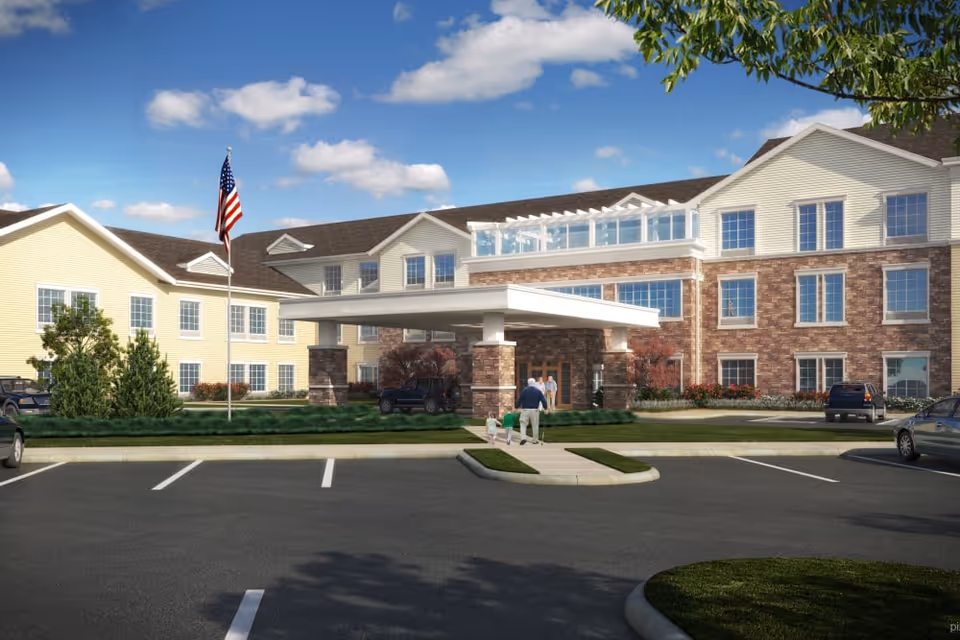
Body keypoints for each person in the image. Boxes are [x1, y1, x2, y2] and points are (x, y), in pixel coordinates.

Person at [516, 378, 548, 445]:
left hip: (525, 410)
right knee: (535, 425)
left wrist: (517, 407)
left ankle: (523, 438)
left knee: (523, 424)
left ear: (528, 383)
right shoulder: (538, 391)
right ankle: (534, 440)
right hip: (535, 410)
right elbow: (543, 400)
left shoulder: (524, 391)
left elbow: (519, 399)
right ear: (534, 383)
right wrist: (545, 408)